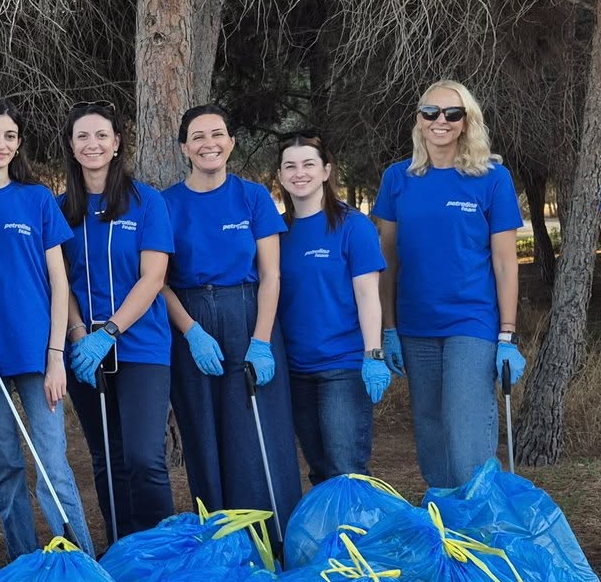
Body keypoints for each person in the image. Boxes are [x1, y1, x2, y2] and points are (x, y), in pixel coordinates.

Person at [374, 81, 526, 489]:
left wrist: (507, 335)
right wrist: (389, 328)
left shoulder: (491, 178)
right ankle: (445, 517)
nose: (440, 121)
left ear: (466, 121)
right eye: (431, 112)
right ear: (419, 119)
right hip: (415, 325)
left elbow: (505, 262)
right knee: (431, 433)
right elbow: (387, 261)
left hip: (471, 321)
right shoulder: (397, 178)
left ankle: (479, 517)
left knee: (464, 432)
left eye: (452, 113)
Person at [159, 105, 302, 535]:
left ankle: (276, 538)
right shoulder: (165, 204)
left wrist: (261, 341)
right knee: (204, 432)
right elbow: (157, 281)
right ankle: (222, 538)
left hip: (249, 317)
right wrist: (191, 331)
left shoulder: (253, 196)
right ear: (184, 148)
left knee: (258, 433)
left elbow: (271, 275)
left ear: (231, 142)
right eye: (198, 137)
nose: (209, 144)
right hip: (192, 322)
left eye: (217, 134)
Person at [0, 99, 94, 556]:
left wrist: (56, 355)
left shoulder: (37, 199)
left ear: (18, 145)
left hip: (39, 353)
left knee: (53, 464)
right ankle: (24, 562)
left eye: (10, 136)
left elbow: (59, 281)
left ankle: (81, 562)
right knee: (7, 467)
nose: (1, 144)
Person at [59, 102, 176, 542]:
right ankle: (123, 550)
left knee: (145, 458)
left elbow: (153, 277)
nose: (92, 144)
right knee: (107, 458)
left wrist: (109, 332)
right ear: (71, 146)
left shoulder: (147, 201)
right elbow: (60, 282)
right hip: (84, 350)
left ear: (117, 144)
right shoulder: (60, 208)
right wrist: (78, 334)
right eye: (83, 136)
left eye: (101, 136)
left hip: (141, 345)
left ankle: (163, 550)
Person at [275, 133, 392, 483]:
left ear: (326, 171)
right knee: (320, 471)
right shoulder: (276, 232)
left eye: (308, 164)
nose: (299, 173)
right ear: (280, 176)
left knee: (346, 469)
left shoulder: (352, 226)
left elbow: (368, 295)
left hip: (342, 366)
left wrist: (373, 355)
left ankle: (356, 522)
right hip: (294, 370)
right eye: (290, 166)